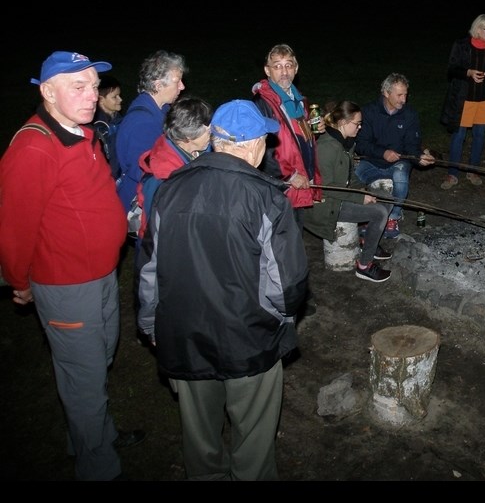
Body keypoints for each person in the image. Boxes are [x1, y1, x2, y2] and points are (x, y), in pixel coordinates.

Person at [137, 99, 309, 481]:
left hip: (184, 338)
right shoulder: (266, 197)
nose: (268, 145)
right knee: (253, 439)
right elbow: (287, 286)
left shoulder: (169, 190)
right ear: (250, 144)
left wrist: (152, 325)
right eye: (265, 138)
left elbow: (149, 267)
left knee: (200, 440)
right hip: (248, 342)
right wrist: (276, 322)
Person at [0, 51, 144, 481]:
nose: (91, 95)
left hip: (101, 275)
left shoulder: (81, 132)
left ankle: (89, 435)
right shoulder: (33, 148)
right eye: (77, 86)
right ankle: (98, 466)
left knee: (97, 361)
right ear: (47, 91)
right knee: (84, 378)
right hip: (66, 285)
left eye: (94, 86)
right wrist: (18, 282)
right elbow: (13, 227)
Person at [304, 100, 392, 283]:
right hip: (326, 204)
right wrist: (359, 198)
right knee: (380, 212)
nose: (360, 128)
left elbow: (349, 176)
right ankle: (365, 266)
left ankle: (368, 239)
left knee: (386, 198)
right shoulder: (327, 147)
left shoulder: (346, 143)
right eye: (357, 124)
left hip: (339, 195)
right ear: (343, 123)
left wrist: (363, 189)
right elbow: (327, 187)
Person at [355, 73, 435, 239]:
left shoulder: (410, 114)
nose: (404, 100)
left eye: (406, 94)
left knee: (400, 175)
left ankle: (393, 217)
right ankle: (363, 216)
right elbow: (362, 144)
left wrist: (419, 157)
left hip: (398, 162)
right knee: (353, 176)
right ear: (386, 93)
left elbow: (412, 144)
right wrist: (383, 153)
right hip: (371, 161)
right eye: (399, 95)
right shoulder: (368, 112)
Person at [251, 43, 322, 228]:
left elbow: (298, 139)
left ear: (296, 69)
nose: (284, 72)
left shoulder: (299, 101)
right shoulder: (263, 103)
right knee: (281, 242)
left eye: (288, 65)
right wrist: (289, 176)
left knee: (294, 238)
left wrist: (315, 132)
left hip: (299, 179)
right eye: (277, 66)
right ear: (268, 71)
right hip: (279, 186)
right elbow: (262, 148)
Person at [133, 96, 212, 243]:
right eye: (206, 131)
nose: (212, 133)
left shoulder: (191, 148)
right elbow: (159, 226)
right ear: (188, 137)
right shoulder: (162, 179)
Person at [115, 50, 187, 210]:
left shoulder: (162, 109)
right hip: (142, 204)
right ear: (158, 85)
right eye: (177, 81)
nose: (182, 86)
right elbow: (145, 174)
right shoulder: (143, 123)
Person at [439, 14, 485, 190]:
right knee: (459, 136)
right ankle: (452, 174)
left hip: (484, 98)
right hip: (464, 99)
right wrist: (468, 73)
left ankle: (473, 170)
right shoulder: (461, 45)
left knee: (479, 136)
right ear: (478, 29)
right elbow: (452, 69)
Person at [92, 74, 124, 180]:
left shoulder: (118, 119)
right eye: (115, 97)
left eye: (119, 95)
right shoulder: (98, 127)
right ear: (101, 100)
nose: (120, 99)